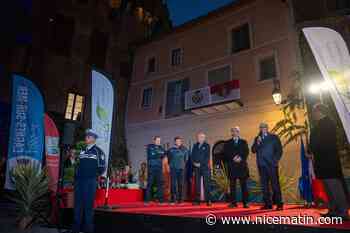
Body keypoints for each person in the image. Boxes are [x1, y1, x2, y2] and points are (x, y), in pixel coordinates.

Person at [308, 103, 349, 219]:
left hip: (329, 160)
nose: (313, 114)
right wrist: (311, 150)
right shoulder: (321, 124)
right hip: (322, 161)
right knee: (328, 187)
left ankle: (343, 210)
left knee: (334, 186)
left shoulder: (328, 124)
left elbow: (322, 141)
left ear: (320, 112)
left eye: (314, 111)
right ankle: (333, 209)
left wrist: (312, 148)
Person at [72, 129, 106, 233]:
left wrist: (92, 176)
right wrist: (73, 160)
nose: (86, 137)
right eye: (86, 136)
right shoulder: (82, 151)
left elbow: (102, 167)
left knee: (88, 207)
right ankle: (76, 229)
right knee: (77, 206)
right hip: (79, 182)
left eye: (89, 136)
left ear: (94, 139)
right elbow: (77, 165)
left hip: (89, 182)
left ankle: (88, 229)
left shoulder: (98, 151)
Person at [251, 122, 283, 210]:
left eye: (264, 127)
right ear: (260, 129)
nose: (262, 128)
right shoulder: (257, 138)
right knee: (264, 186)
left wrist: (275, 161)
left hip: (272, 165)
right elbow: (253, 150)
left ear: (267, 128)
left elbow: (279, 150)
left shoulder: (274, 137)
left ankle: (279, 204)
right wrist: (257, 142)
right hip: (261, 166)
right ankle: (268, 204)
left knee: (275, 185)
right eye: (261, 127)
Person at [223, 126, 250, 208]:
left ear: (239, 132)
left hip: (242, 167)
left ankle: (245, 203)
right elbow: (225, 153)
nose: (235, 132)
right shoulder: (227, 143)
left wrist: (240, 158)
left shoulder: (244, 142)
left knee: (244, 186)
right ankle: (233, 203)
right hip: (232, 167)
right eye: (233, 131)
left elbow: (246, 152)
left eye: (236, 131)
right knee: (232, 187)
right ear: (231, 133)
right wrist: (233, 158)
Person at [191, 132, 212, 206]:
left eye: (202, 137)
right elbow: (192, 155)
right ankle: (197, 201)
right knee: (197, 184)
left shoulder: (207, 146)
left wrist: (200, 163)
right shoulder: (195, 145)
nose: (200, 138)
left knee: (207, 184)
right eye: (199, 137)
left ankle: (208, 200)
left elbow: (207, 157)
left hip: (205, 168)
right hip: (196, 168)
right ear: (197, 138)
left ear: (204, 138)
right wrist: (194, 163)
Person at [167, 136, 189, 204]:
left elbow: (186, 159)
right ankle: (173, 199)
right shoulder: (171, 149)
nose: (178, 142)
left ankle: (180, 199)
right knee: (173, 184)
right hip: (173, 168)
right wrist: (171, 165)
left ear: (181, 142)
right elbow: (169, 159)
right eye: (177, 141)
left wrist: (182, 164)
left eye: (179, 141)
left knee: (181, 184)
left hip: (181, 169)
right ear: (175, 142)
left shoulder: (185, 149)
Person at [145, 136, 166, 205]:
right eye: (157, 140)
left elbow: (164, 155)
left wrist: (158, 153)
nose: (158, 142)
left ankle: (160, 200)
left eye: (159, 141)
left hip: (159, 168)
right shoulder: (150, 147)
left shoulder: (161, 148)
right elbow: (152, 155)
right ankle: (147, 200)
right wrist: (159, 154)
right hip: (152, 167)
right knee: (150, 183)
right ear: (154, 141)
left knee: (160, 184)